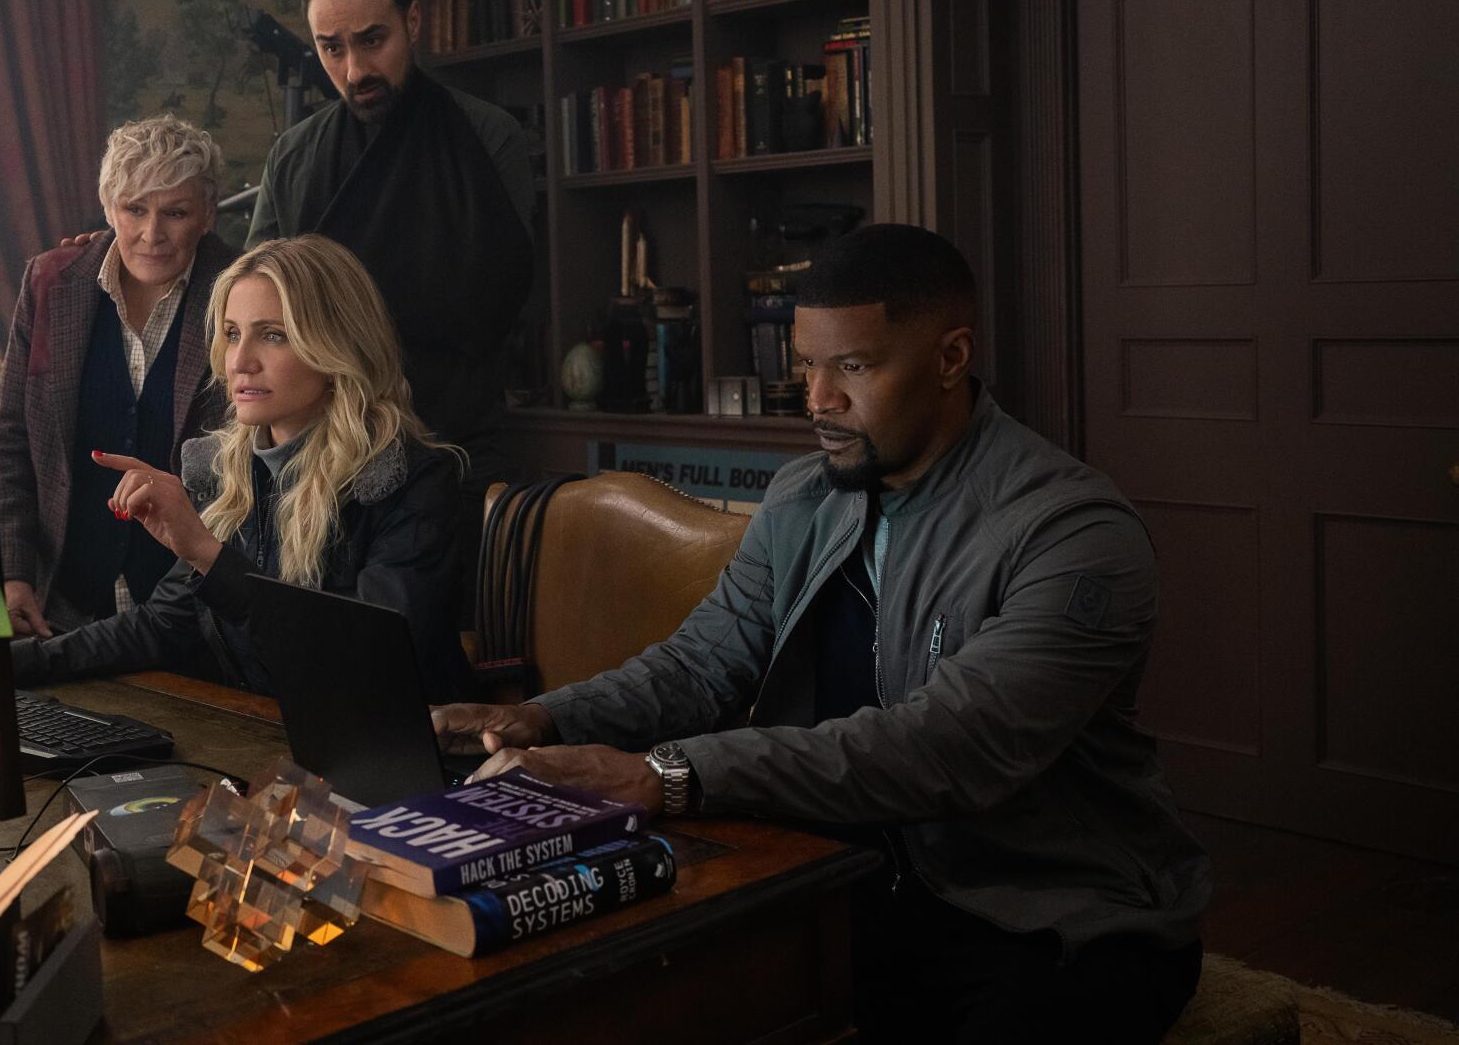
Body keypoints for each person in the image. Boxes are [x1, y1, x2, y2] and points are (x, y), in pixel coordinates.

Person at [431, 225, 1212, 1044]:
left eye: (855, 367)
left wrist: (665, 776)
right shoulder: (803, 496)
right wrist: (545, 718)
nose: (816, 400)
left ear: (951, 358)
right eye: (807, 363)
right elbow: (703, 664)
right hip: (851, 878)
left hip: (1051, 917)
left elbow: (948, 746)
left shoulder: (1073, 533)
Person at [8, 235, 475, 701]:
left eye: (273, 335)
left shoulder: (410, 481)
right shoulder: (224, 470)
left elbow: (364, 663)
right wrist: (7, 665)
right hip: (268, 745)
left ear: (337, 345)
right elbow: (161, 625)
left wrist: (207, 554)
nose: (240, 361)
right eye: (232, 334)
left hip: (405, 757)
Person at [247, 0, 535, 527]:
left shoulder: (488, 137)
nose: (354, 70)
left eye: (372, 40)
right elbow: (254, 302)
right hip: (322, 461)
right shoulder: (294, 156)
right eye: (332, 48)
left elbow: (499, 302)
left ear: (414, 22)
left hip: (456, 446)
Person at [0, 116, 237, 638]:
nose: (152, 234)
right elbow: (10, 436)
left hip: (193, 614)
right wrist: (14, 575)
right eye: (134, 210)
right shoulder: (51, 281)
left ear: (207, 215)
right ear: (109, 208)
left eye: (175, 212)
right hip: (59, 605)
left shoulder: (242, 293)